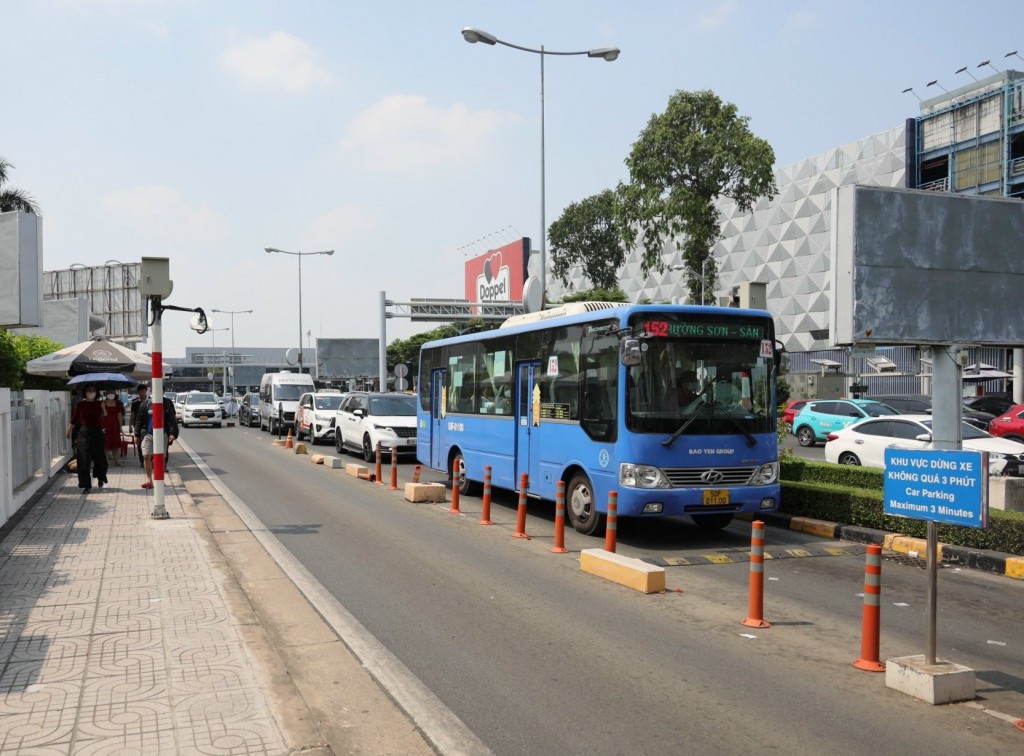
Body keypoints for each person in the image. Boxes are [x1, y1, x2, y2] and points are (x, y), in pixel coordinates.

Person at [66, 383, 108, 492]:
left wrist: (103, 408)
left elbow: (104, 417)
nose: (91, 392)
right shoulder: (80, 405)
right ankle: (86, 485)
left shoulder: (100, 404)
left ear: (96, 392)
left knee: (99, 458)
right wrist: (69, 430)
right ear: (85, 392)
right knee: (83, 459)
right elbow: (74, 419)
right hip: (83, 433)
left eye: (93, 390)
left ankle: (100, 477)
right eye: (89, 390)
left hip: (97, 432)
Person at [133, 390, 179, 489]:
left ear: (163, 392)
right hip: (147, 433)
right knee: (146, 456)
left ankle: (159, 479)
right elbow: (139, 419)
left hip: (162, 434)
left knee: (160, 458)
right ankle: (149, 480)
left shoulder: (167, 403)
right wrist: (137, 434)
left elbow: (172, 419)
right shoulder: (145, 404)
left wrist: (173, 433)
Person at [101, 390, 125, 466]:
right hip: (105, 425)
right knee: (106, 444)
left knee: (116, 444)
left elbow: (119, 415)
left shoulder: (117, 403)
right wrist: (103, 408)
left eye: (112, 393)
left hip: (115, 425)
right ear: (106, 394)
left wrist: (120, 426)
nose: (111, 394)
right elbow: (101, 416)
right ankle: (106, 461)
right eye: (109, 393)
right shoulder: (103, 403)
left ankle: (117, 461)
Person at [129, 384, 148, 468]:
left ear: (146, 391)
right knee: (139, 444)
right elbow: (132, 414)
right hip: (137, 426)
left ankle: (148, 460)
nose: (142, 393)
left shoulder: (150, 401)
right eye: (140, 392)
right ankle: (142, 461)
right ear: (138, 392)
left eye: (143, 391)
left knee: (148, 444)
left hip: (148, 426)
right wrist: (129, 425)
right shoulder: (135, 402)